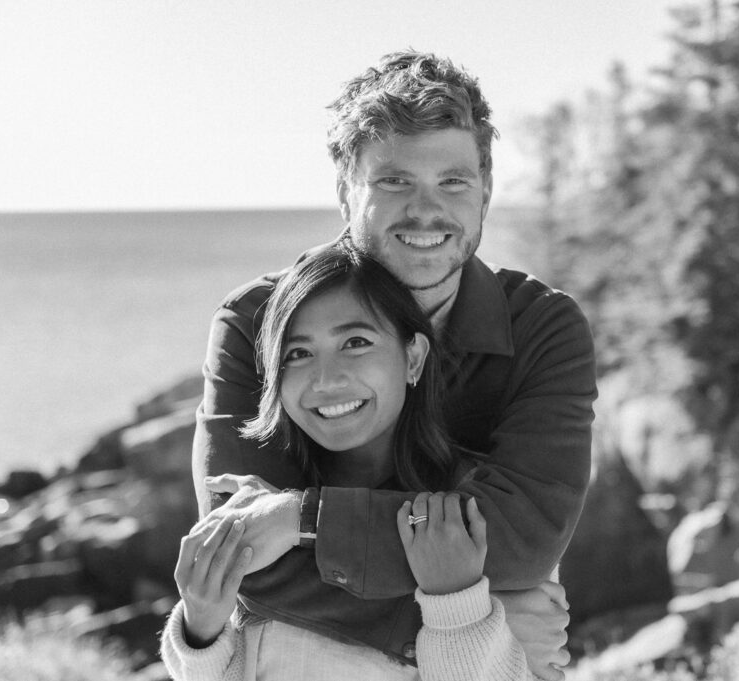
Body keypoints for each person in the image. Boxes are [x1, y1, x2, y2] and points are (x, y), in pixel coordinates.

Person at [191, 50, 596, 679]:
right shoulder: (255, 323)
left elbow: (524, 542)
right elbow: (238, 564)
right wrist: (484, 620)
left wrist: (300, 518)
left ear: (485, 190)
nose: (426, 210)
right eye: (394, 181)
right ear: (344, 190)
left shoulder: (541, 327)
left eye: (453, 182)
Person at [162, 242, 535, 680]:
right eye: (297, 354)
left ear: (413, 356)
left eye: (355, 342)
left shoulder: (473, 506)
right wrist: (200, 629)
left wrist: (458, 609)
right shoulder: (254, 510)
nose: (326, 379)